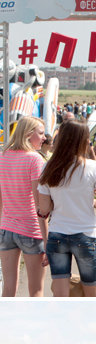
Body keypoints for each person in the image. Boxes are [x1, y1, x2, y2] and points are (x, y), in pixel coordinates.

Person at [38, 120, 96, 297]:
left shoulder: (48, 167)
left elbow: (44, 208)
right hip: (85, 234)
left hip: (57, 234)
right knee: (92, 292)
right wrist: (91, 202)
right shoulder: (92, 167)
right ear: (81, 140)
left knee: (60, 293)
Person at [0, 116, 48, 297]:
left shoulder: (2, 156)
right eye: (41, 133)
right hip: (31, 229)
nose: (44, 137)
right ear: (29, 135)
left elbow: (1, 198)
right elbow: (40, 205)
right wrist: (47, 238)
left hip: (6, 229)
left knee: (8, 289)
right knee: (36, 290)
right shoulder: (35, 159)